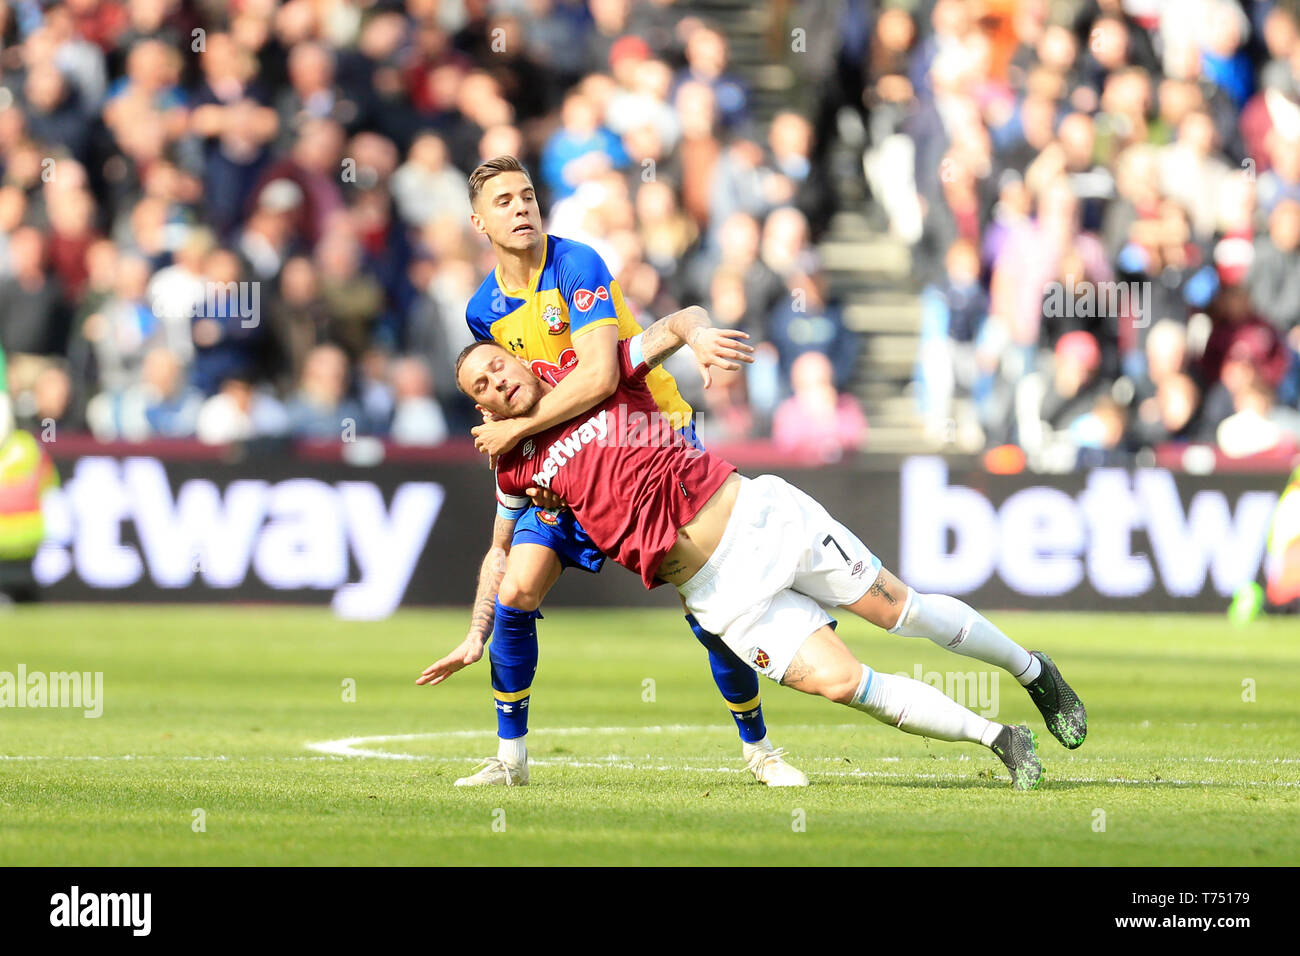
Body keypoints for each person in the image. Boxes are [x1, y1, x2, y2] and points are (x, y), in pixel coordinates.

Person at [425, 308, 1091, 790]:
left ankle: (1033, 672)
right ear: (480, 410)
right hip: (718, 594)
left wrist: (700, 335)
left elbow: (677, 321)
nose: (495, 383)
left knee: (902, 613)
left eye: (496, 367)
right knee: (844, 685)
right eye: (479, 387)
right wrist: (477, 632)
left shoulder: (597, 380)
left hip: (761, 520)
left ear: (518, 358)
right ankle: (1001, 741)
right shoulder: (513, 466)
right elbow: (500, 551)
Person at [448, 155, 804, 787]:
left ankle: (760, 748)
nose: (521, 208)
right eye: (503, 202)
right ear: (480, 222)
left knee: (707, 608)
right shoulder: (483, 313)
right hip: (566, 462)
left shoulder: (576, 263)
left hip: (648, 437)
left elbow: (600, 377)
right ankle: (511, 760)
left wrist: (521, 432)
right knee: (515, 592)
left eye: (527, 195)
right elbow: (513, 392)